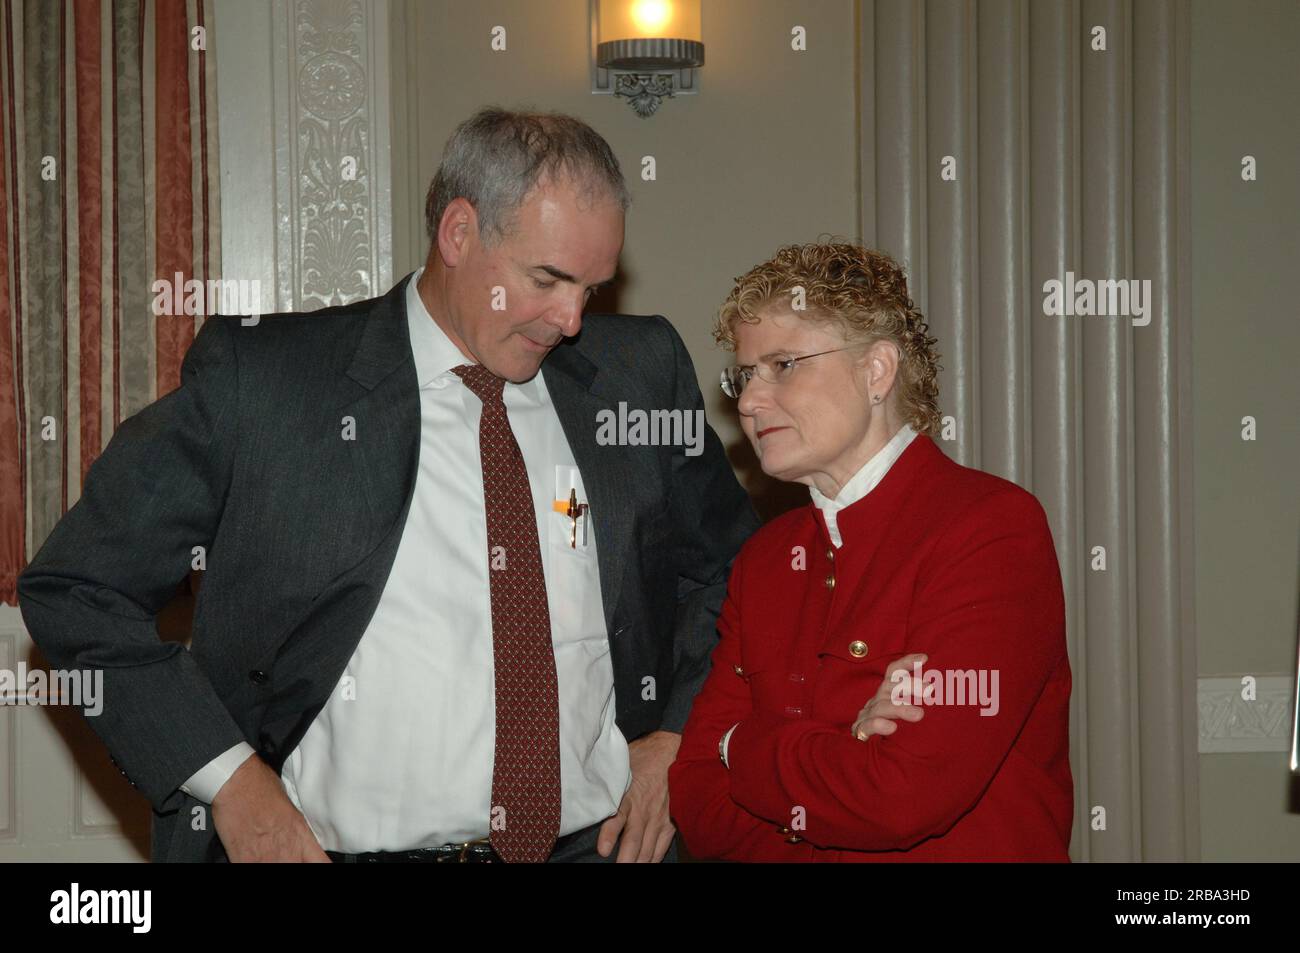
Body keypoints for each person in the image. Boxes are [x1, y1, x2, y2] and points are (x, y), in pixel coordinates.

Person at [17, 107, 759, 863]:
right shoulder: (268, 384)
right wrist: (233, 781)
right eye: (548, 278)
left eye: (592, 289)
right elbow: (77, 588)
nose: (570, 319)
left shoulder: (637, 378)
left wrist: (677, 733)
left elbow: (735, 571)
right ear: (459, 232)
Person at [667, 242, 1073, 861]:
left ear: (877, 371)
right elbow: (696, 797)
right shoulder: (765, 559)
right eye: (745, 375)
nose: (748, 402)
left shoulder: (990, 529)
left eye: (782, 365)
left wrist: (740, 745)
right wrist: (842, 745)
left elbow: (903, 796)